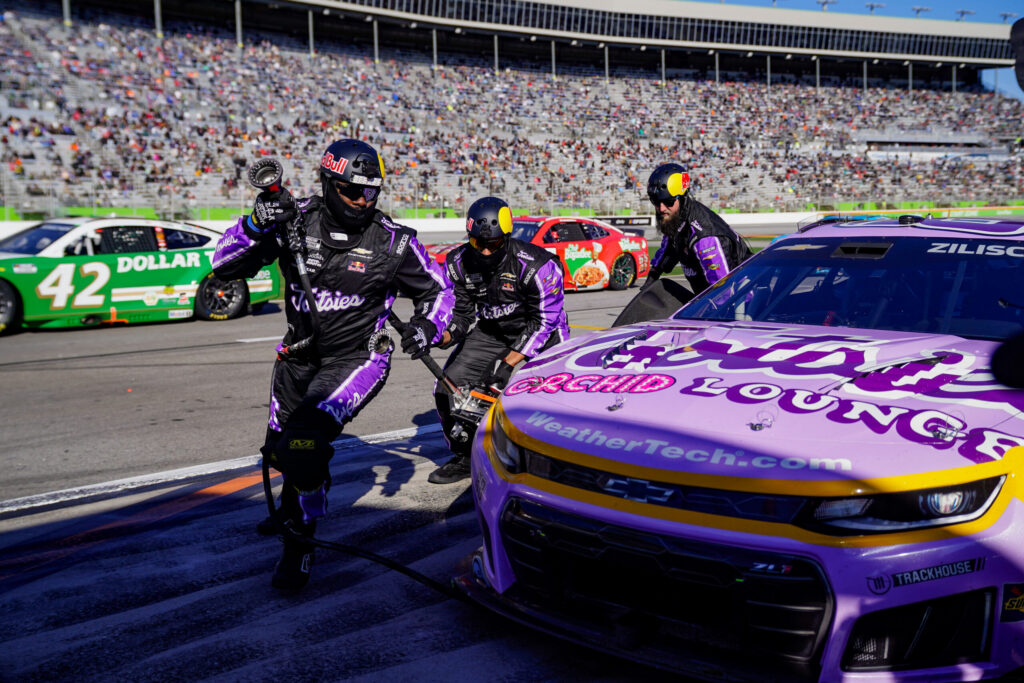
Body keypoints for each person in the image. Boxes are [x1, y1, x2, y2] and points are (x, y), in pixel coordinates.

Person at [211, 139, 453, 590]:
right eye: (352, 191)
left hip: (358, 358)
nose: (364, 201)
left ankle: (299, 547)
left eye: (372, 192)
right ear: (327, 181)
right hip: (296, 357)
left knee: (303, 443)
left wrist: (427, 327)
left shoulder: (394, 242)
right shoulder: (292, 220)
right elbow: (222, 267)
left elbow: (439, 292)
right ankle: (290, 507)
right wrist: (254, 225)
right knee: (278, 450)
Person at [428, 196, 570, 484]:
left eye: (493, 244)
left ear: (506, 237)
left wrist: (506, 365)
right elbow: (462, 316)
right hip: (492, 331)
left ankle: (558, 458)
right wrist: (441, 335)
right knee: (446, 389)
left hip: (544, 333)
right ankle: (465, 455)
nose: (485, 250)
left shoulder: (539, 265)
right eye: (478, 243)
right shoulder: (457, 263)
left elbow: (544, 322)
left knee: (553, 400)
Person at [643, 162, 752, 295]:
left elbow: (723, 290)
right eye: (655, 201)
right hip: (709, 295)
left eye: (668, 201)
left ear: (682, 197)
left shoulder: (705, 237)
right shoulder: (676, 218)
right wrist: (653, 274)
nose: (661, 208)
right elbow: (669, 247)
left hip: (742, 298)